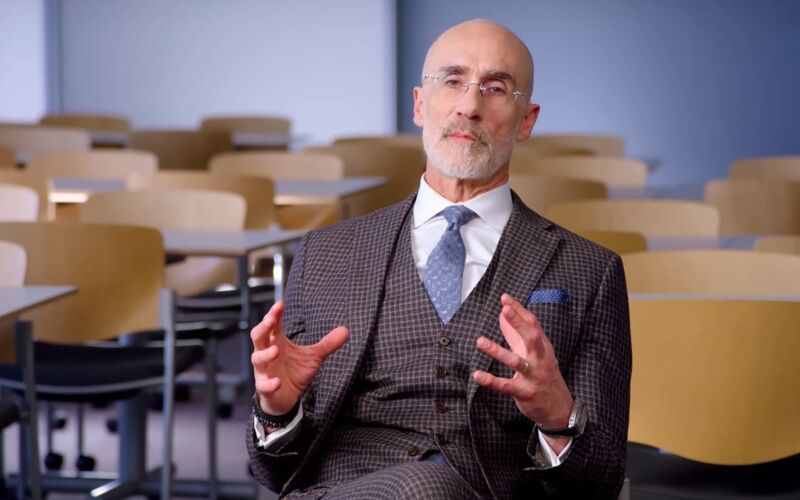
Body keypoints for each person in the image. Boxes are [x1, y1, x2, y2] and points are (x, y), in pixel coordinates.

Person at [247, 19, 631, 499]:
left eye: (495, 89)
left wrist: (558, 417)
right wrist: (277, 412)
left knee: (426, 487)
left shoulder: (590, 271)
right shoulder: (326, 253)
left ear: (526, 120)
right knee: (422, 486)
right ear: (419, 104)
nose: (469, 106)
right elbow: (274, 474)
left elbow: (601, 480)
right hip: (344, 488)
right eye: (452, 81)